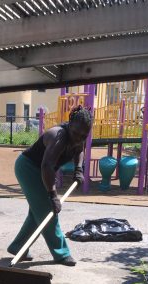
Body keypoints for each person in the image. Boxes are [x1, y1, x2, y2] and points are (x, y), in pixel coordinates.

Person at [7, 105, 93, 266]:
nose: (78, 138)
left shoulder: (78, 137)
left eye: (84, 135)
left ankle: (18, 246)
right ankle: (61, 253)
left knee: (37, 213)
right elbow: (47, 166)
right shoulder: (58, 136)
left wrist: (79, 169)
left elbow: (79, 149)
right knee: (48, 210)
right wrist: (53, 195)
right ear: (69, 124)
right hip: (28, 168)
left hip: (42, 169)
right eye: (75, 133)